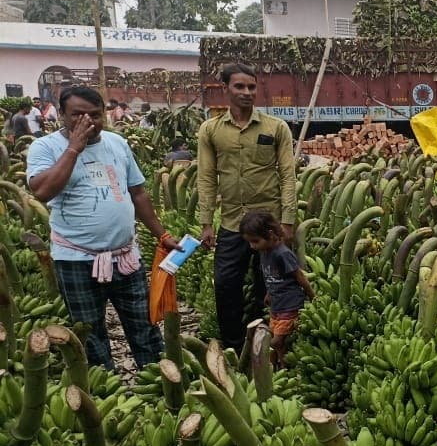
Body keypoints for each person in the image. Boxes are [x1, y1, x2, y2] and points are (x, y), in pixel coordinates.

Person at [25, 85, 182, 369]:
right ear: (61, 114)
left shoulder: (116, 143)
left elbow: (138, 193)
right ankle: (105, 390)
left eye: (95, 115)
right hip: (76, 259)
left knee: (144, 326)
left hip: (125, 256)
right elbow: (42, 191)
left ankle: (159, 386)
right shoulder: (44, 147)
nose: (88, 122)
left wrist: (162, 234)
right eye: (78, 115)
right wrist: (74, 148)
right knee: (90, 332)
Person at [197, 61, 297, 353]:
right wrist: (206, 223)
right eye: (239, 86)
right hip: (231, 223)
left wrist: (287, 221)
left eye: (251, 87)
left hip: (269, 225)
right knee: (226, 285)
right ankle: (233, 345)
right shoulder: (211, 130)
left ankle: (266, 344)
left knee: (271, 288)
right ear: (225, 88)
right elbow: (206, 177)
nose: (247, 92)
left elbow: (287, 175)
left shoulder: (275, 128)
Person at [239, 210, 314, 367]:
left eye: (255, 241)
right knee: (279, 344)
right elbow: (273, 277)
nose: (252, 246)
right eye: (249, 242)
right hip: (276, 305)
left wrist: (311, 295)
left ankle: (260, 357)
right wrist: (269, 293)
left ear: (270, 234)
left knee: (276, 340)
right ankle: (281, 368)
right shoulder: (264, 251)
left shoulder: (282, 254)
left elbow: (299, 276)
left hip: (290, 304)